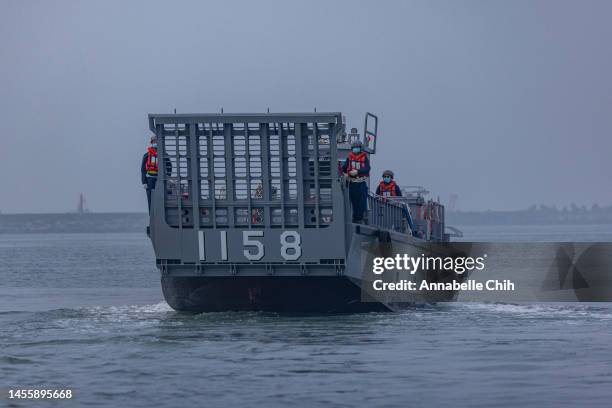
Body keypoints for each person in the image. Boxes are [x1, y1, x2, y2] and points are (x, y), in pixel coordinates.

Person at [141, 136, 171, 213]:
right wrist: (144, 182)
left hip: (160, 179)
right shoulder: (147, 155)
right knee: (150, 198)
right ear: (151, 143)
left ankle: (162, 214)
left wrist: (168, 176)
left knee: (162, 197)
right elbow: (143, 169)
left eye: (156, 141)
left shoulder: (164, 154)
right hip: (149, 179)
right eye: (154, 142)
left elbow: (169, 166)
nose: (155, 143)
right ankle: (151, 215)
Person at [342, 140, 370, 223]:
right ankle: (355, 217)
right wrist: (345, 174)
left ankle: (359, 217)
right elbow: (344, 167)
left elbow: (367, 168)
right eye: (354, 148)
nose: (355, 149)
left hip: (361, 182)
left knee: (361, 200)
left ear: (360, 148)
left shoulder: (364, 157)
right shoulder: (349, 157)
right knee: (354, 200)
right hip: (352, 182)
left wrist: (358, 171)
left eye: (357, 148)